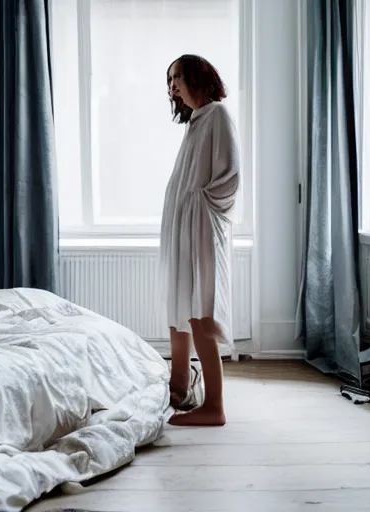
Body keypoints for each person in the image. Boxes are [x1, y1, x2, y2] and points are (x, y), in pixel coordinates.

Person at [159, 54, 240, 427]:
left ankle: (215, 406)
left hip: (201, 231)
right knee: (180, 308)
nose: (172, 85)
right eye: (170, 79)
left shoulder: (218, 115)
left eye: (177, 77)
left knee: (200, 313)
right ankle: (179, 386)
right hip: (185, 229)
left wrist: (201, 207)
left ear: (197, 77)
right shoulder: (196, 121)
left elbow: (229, 178)